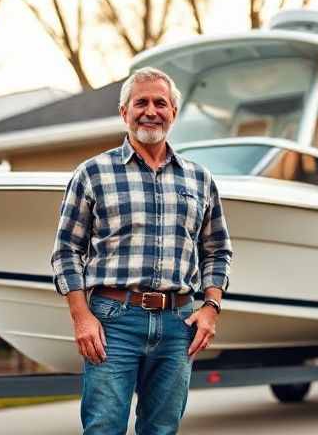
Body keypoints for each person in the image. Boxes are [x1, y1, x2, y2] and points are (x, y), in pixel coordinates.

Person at [51, 67, 233, 435]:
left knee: (162, 429)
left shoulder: (199, 179)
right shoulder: (92, 174)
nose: (151, 110)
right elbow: (67, 251)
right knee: (103, 428)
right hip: (113, 321)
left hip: (178, 323)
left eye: (160, 103)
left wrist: (210, 308)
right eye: (141, 103)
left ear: (173, 114)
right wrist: (81, 317)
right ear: (124, 112)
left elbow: (217, 250)